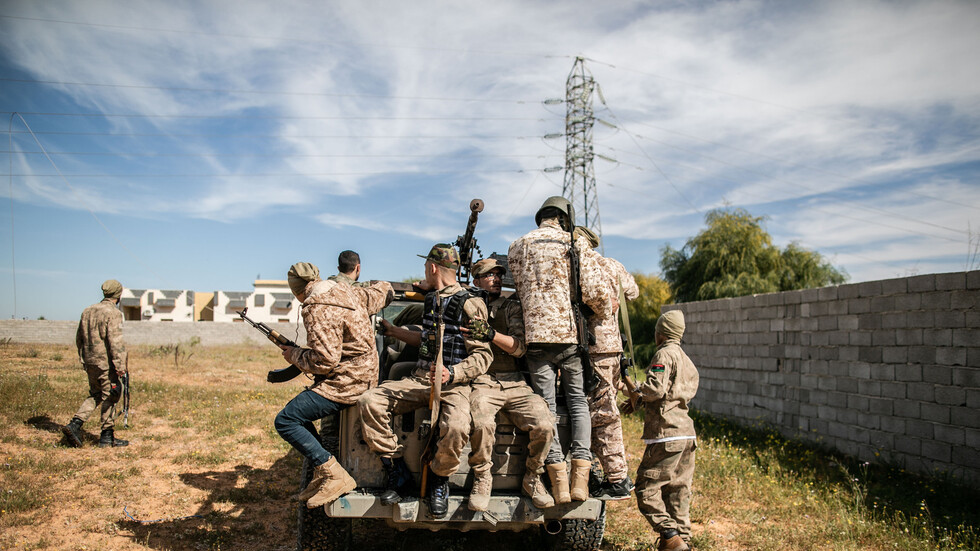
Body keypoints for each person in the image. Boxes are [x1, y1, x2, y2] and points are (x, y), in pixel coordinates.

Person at [357, 244, 492, 518]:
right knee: (370, 400)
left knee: (456, 426)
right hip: (420, 380)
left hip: (455, 385)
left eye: (425, 269)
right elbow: (428, 340)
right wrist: (395, 331)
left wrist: (452, 374)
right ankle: (397, 470)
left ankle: (439, 479)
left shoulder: (470, 303)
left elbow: (483, 356)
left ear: (432, 268)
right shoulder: (431, 300)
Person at [507, 196, 613, 504]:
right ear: (565, 218)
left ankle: (557, 484)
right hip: (569, 339)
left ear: (541, 217)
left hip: (535, 341)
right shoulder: (574, 243)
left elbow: (519, 288)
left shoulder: (517, 246)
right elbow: (596, 292)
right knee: (578, 402)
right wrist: (600, 314)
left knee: (547, 408)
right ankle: (579, 479)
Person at [274, 262, 394, 509]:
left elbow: (325, 361)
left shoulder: (316, 308)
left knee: (286, 420)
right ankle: (323, 470)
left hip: (346, 383)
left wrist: (294, 355)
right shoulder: (348, 291)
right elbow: (383, 290)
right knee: (299, 414)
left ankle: (334, 474)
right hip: (367, 375)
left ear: (297, 291)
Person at [464, 258, 555, 511]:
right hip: (482, 381)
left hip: (514, 381)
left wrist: (491, 334)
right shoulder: (467, 304)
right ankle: (482, 478)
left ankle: (532, 478)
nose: (494, 278)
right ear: (476, 280)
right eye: (488, 275)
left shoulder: (511, 307)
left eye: (497, 274)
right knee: (481, 423)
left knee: (546, 424)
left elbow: (520, 348)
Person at [574, 226, 640, 500]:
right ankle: (594, 473)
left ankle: (617, 479)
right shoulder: (612, 265)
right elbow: (633, 293)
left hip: (592, 348)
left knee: (602, 414)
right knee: (599, 409)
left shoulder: (579, 265)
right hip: (612, 348)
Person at [631, 310, 699, 551]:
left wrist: (636, 392)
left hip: (667, 433)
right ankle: (683, 542)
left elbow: (655, 390)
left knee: (645, 488)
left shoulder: (663, 354)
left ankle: (669, 534)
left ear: (661, 332)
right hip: (687, 435)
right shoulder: (686, 359)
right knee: (678, 492)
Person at [62, 279, 130, 448]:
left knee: (96, 394)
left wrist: (83, 358)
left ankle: (75, 424)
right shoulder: (113, 313)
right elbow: (115, 342)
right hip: (106, 363)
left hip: (90, 360)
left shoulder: (88, 311)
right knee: (111, 394)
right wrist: (121, 367)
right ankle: (107, 437)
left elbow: (79, 338)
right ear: (118, 294)